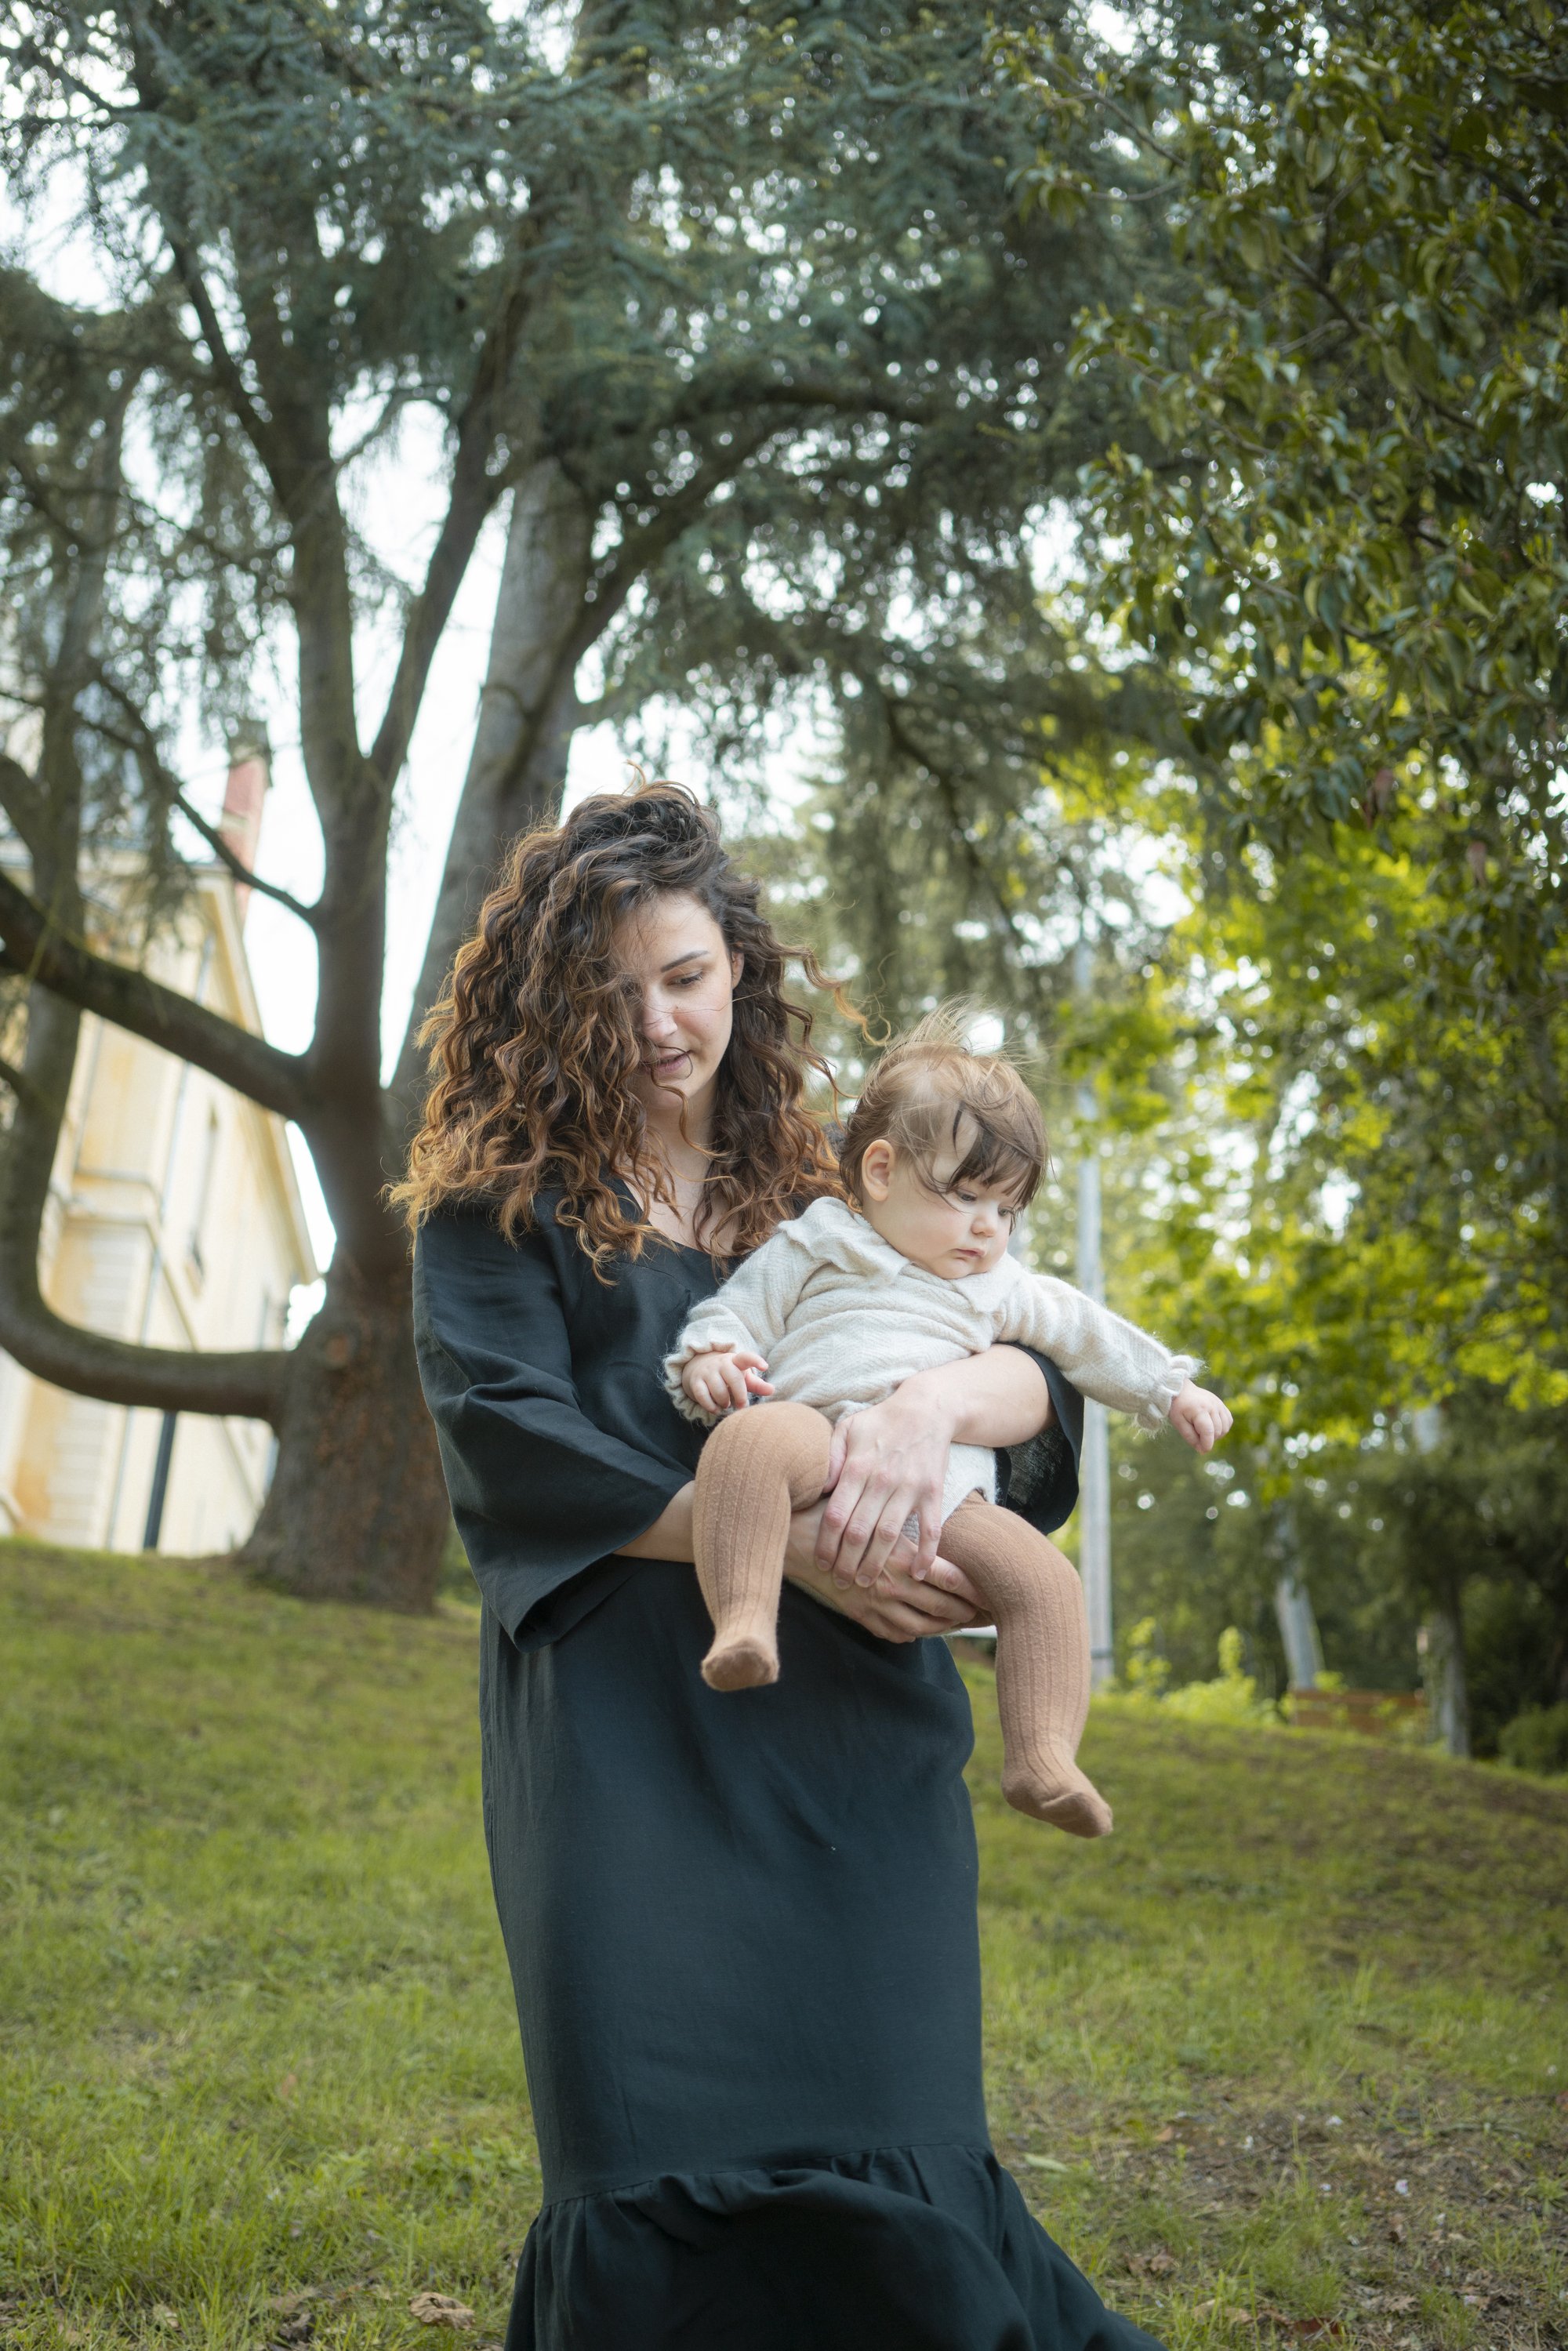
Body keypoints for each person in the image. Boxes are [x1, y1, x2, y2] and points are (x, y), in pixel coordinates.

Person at [398, 781, 1164, 2351]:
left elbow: (1038, 1389)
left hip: (856, 1752)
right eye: (610, 995)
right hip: (629, 1732)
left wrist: (938, 1400)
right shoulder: (497, 1213)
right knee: (650, 2153)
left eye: (682, 974)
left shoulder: (846, 1187)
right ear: (549, 1010)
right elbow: (511, 1441)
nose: (657, 1022)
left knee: (900, 2139)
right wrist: (797, 1551)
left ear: (737, 966)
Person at [666, 1012, 1232, 1836]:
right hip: (812, 1430)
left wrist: (1165, 1388)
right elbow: (735, 1310)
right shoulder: (817, 1240)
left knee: (1045, 1580)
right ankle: (744, 1623)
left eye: (1005, 1208)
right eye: (964, 1195)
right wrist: (710, 1356)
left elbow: (1084, 1332)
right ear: (882, 1169)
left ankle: (1043, 1759)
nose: (984, 1228)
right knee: (741, 1445)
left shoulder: (1000, 1283)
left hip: (945, 1491)